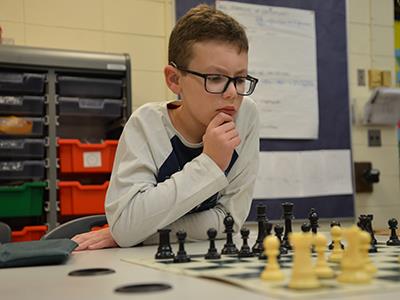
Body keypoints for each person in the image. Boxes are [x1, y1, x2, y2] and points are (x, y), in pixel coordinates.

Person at [72, 4, 260, 250]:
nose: (232, 93)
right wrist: (210, 164)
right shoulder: (145, 125)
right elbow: (126, 224)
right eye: (215, 78)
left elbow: (229, 220)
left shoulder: (246, 115)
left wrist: (142, 232)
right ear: (174, 79)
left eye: (240, 79)